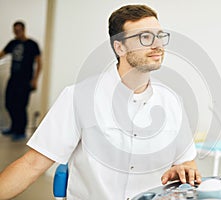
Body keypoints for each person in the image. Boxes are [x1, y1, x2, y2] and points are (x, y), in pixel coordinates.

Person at [0, 5, 201, 199]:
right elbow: (32, 164)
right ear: (120, 47)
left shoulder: (172, 102)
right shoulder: (78, 97)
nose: (157, 45)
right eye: (145, 37)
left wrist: (186, 170)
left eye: (159, 36)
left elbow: (187, 162)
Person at [0, 21, 42, 141]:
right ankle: (14, 128)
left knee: (21, 106)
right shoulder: (13, 43)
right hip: (13, 79)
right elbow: (2, 54)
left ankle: (21, 131)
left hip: (25, 81)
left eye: (18, 31)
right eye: (15, 31)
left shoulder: (32, 44)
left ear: (23, 30)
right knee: (9, 103)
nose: (16, 33)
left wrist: (35, 80)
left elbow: (39, 63)